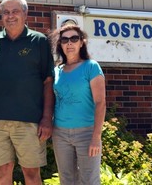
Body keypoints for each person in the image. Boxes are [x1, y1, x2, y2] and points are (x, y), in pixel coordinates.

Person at [0, 0, 54, 185]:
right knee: (2, 172)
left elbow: (48, 82)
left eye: (15, 11)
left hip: (30, 121)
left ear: (25, 14)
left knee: (31, 173)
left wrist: (47, 117)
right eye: (6, 12)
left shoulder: (39, 41)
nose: (10, 16)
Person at [50, 23, 106, 185]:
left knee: (89, 180)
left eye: (74, 39)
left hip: (86, 133)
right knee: (66, 180)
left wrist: (96, 136)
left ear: (82, 42)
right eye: (65, 40)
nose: (69, 43)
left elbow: (100, 103)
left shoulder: (91, 67)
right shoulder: (57, 70)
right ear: (60, 44)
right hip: (60, 133)